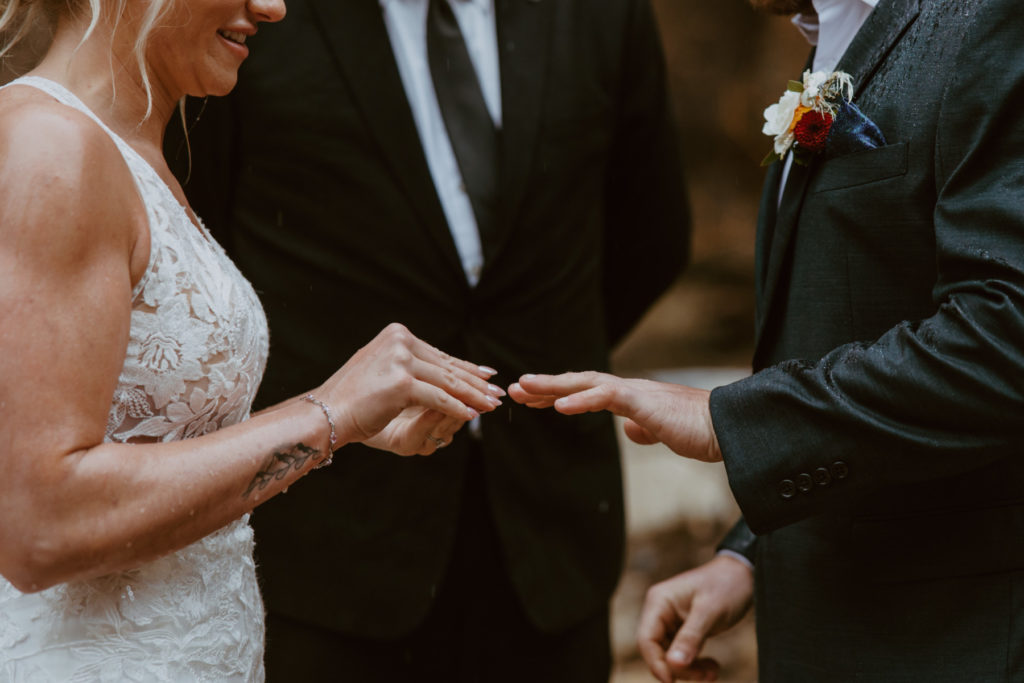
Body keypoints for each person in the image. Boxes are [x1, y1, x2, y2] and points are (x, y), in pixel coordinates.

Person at [167, 0, 689, 679]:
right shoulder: (252, 15)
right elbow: (196, 248)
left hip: (551, 536)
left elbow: (650, 233)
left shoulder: (599, 13)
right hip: (323, 550)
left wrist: (521, 369)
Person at [510, 0, 1024, 680]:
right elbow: (843, 321)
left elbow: (1004, 337)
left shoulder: (991, 19)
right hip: (839, 625)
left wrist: (727, 419)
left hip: (955, 642)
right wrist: (751, 553)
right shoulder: (836, 38)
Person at [0, 0, 504, 678]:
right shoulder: (53, 149)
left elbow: (141, 431)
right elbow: (39, 523)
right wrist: (329, 411)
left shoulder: (134, 150)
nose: (271, 6)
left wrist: (351, 424)